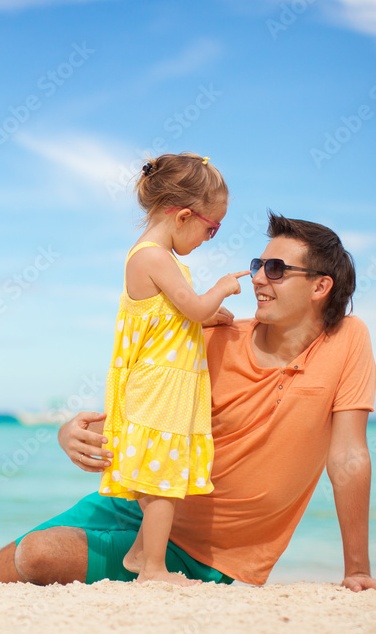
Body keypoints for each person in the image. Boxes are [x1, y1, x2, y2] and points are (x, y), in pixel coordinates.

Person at [0, 212, 376, 599]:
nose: (258, 279)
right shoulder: (210, 338)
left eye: (277, 269)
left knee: (37, 557)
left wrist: (357, 571)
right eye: (257, 265)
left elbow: (348, 457)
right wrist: (71, 434)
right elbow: (146, 420)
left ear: (322, 286)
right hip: (141, 500)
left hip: (209, 554)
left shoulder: (347, 339)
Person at [96, 152, 249, 585]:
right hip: (159, 385)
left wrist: (206, 316)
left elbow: (181, 315)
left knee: (164, 471)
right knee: (162, 479)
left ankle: (139, 555)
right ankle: (154, 570)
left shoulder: (161, 260)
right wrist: (220, 290)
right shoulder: (152, 257)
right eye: (211, 228)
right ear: (182, 216)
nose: (209, 238)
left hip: (168, 384)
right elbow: (195, 304)